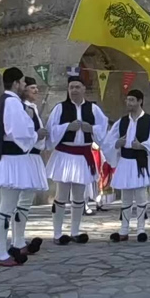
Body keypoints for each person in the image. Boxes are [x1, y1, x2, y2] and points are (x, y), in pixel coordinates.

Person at [0, 67, 42, 267]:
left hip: (3, 159)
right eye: (22, 82)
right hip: (12, 161)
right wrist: (37, 134)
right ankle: (1, 253)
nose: (24, 86)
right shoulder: (12, 102)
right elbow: (20, 132)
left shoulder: (2, 100)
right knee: (6, 207)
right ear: (16, 83)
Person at [45, 75, 109, 246]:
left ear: (83, 89)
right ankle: (57, 233)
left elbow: (103, 129)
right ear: (68, 90)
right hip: (65, 154)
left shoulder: (93, 109)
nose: (74, 90)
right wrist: (67, 127)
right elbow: (51, 130)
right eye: (71, 87)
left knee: (79, 196)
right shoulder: (60, 108)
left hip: (83, 156)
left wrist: (91, 129)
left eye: (77, 87)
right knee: (61, 195)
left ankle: (75, 231)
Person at [106, 89, 150, 242]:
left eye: (132, 100)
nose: (129, 103)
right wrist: (117, 143)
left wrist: (142, 146)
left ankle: (141, 229)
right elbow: (109, 141)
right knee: (126, 197)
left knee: (141, 196)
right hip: (126, 162)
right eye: (128, 100)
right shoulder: (122, 121)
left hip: (141, 162)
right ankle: (124, 229)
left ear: (140, 101)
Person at [10, 77, 49, 258]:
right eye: (31, 88)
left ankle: (20, 239)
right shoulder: (22, 108)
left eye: (36, 88)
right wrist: (37, 134)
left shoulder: (31, 108)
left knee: (25, 202)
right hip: (25, 157)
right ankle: (17, 241)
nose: (35, 91)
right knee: (21, 202)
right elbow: (21, 134)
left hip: (33, 157)